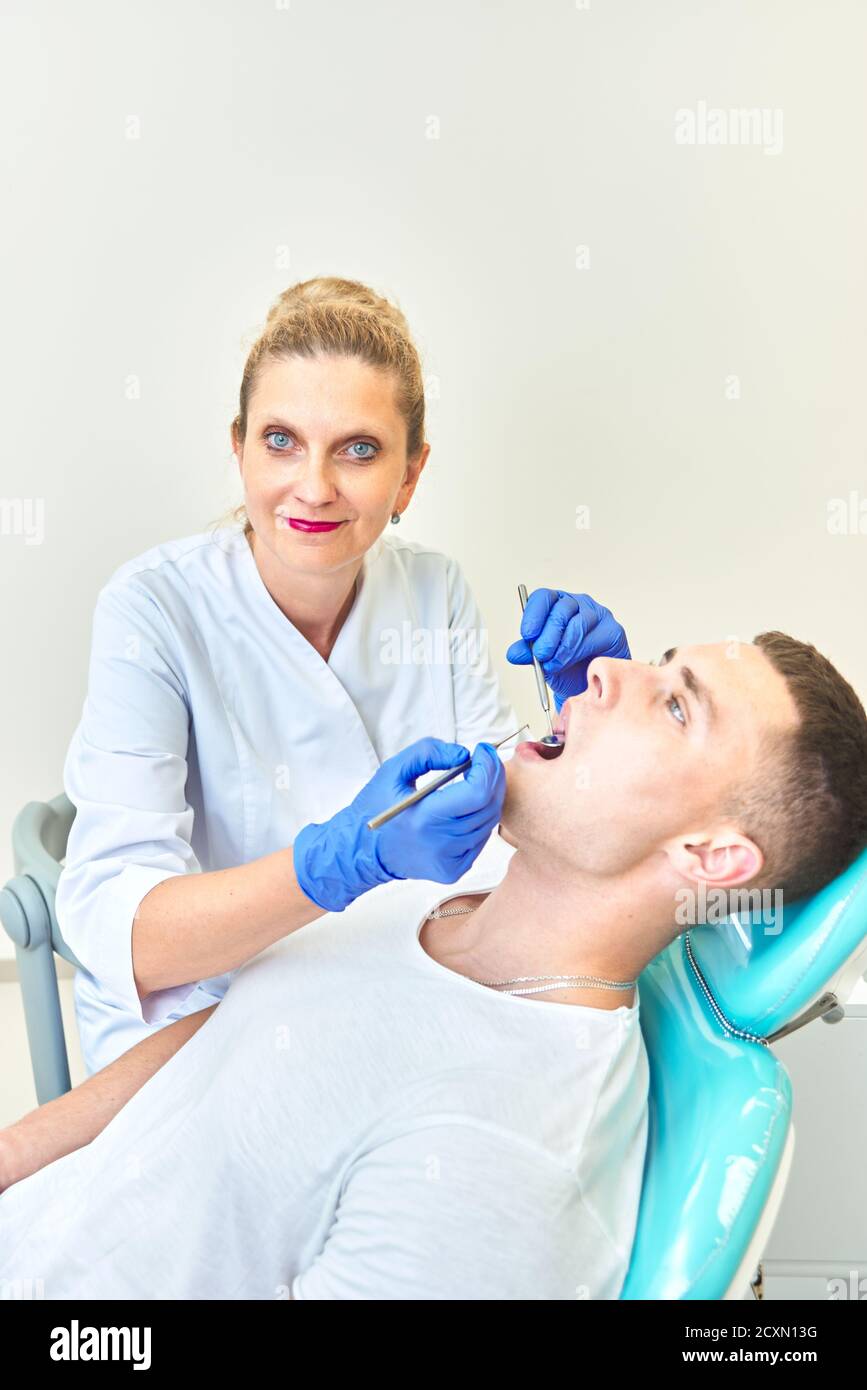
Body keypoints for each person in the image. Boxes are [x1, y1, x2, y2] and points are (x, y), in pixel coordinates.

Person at [2, 632, 865, 1300]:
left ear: (711, 859)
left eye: (676, 706)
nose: (606, 671)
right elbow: (214, 1046)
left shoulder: (504, 1163)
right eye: (657, 660)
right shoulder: (445, 884)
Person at [56, 274, 630, 1075]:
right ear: (238, 447)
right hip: (202, 1028)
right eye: (281, 440)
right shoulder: (153, 608)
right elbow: (129, 940)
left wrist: (585, 717)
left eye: (359, 450)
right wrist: (338, 861)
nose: (315, 487)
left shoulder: (432, 590)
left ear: (410, 474)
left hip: (391, 995)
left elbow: (511, 825)